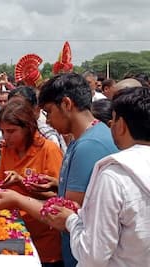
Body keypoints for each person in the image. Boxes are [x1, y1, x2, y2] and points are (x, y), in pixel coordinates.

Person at [0, 73, 118, 267]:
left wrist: (18, 199)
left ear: (66, 104)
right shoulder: (84, 139)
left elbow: (67, 214)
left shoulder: (89, 145)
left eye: (48, 112)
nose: (47, 121)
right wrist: (56, 185)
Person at [49, 86, 150, 267]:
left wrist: (71, 220)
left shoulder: (114, 175)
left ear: (121, 125)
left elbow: (93, 255)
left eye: (112, 121)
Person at [0, 99, 64, 266]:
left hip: (45, 239)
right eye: (3, 131)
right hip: (15, 235)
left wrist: (22, 183)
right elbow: (1, 183)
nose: (6, 137)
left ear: (28, 128)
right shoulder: (6, 150)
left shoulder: (49, 149)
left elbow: (58, 196)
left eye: (11, 131)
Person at [9, 86, 67, 153]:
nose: (15, 112)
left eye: (20, 108)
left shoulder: (48, 136)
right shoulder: (6, 137)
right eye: (11, 107)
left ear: (36, 109)